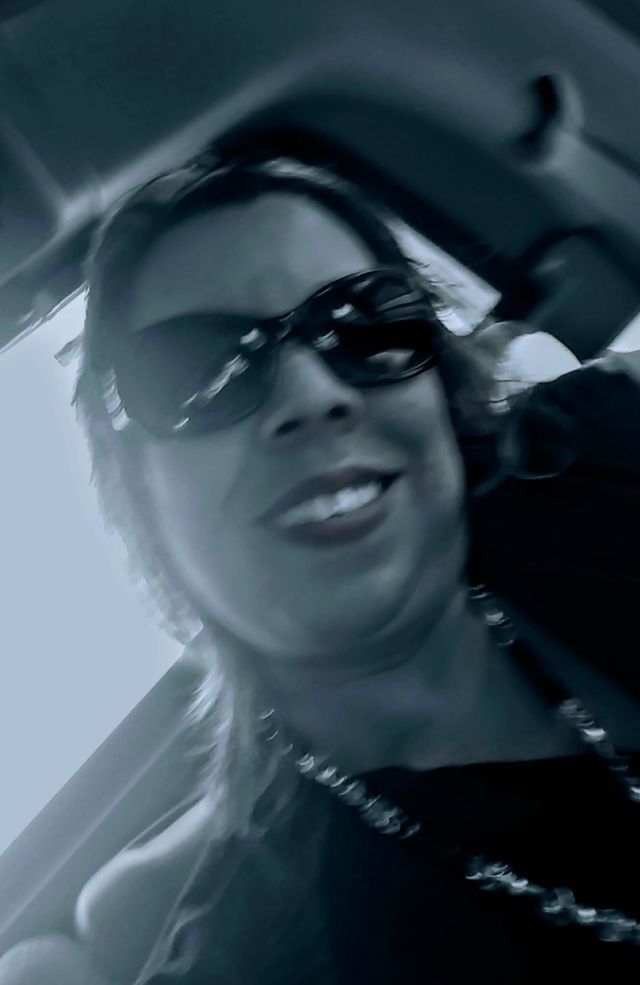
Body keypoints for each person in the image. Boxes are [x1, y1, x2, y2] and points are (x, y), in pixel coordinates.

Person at [2, 147, 639, 984]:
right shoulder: (260, 958)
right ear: (141, 494)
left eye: (366, 322)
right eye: (201, 372)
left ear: (440, 387)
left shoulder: (603, 444)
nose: (311, 395)